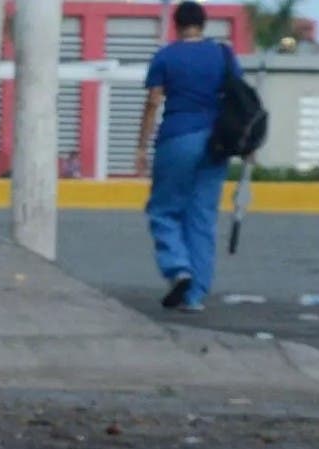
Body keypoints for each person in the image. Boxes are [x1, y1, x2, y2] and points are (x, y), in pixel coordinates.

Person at [135, 1, 237, 313]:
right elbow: (238, 96)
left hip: (178, 138)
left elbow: (154, 102)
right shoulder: (222, 54)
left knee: (164, 210)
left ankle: (178, 267)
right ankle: (194, 296)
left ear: (176, 25)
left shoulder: (166, 56)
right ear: (204, 24)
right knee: (202, 217)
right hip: (216, 142)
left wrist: (141, 146)